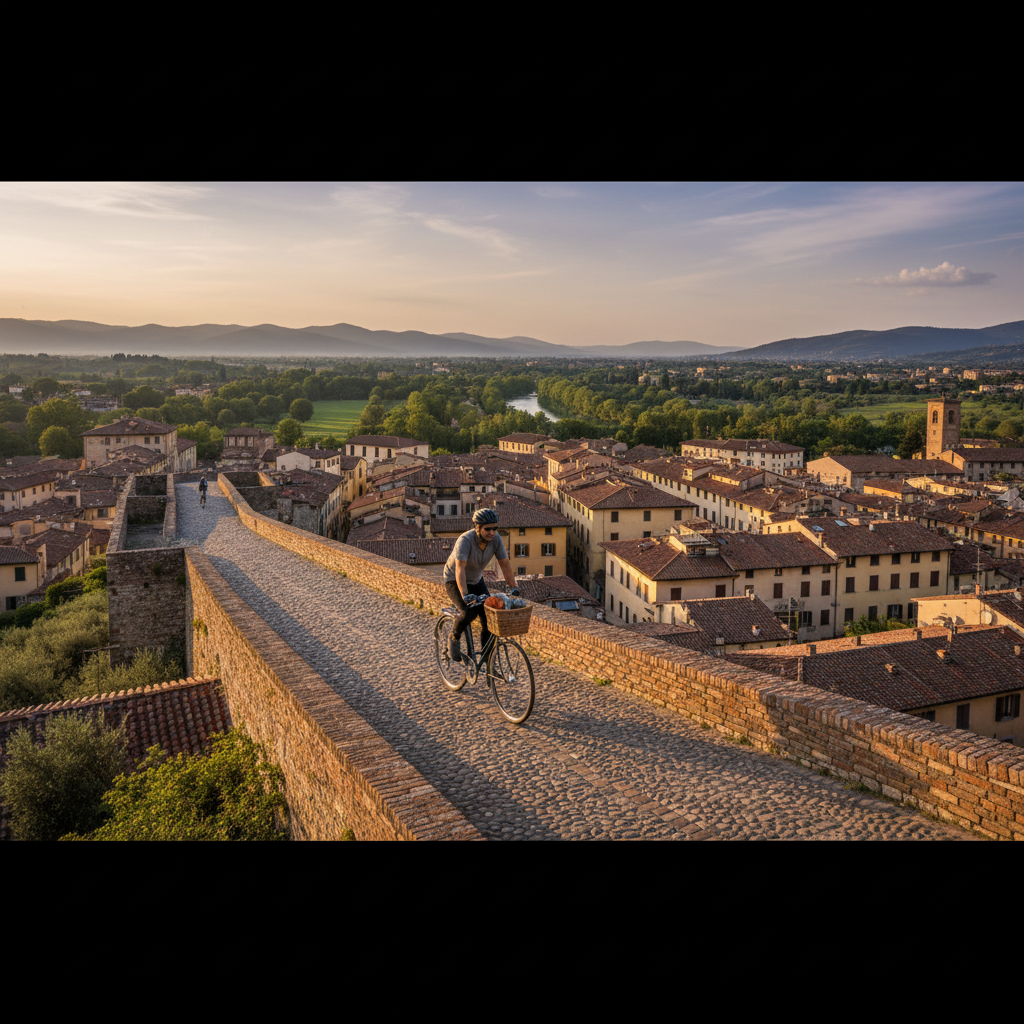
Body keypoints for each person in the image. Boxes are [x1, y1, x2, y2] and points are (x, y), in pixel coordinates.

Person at [442, 507, 519, 663]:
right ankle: (454, 637)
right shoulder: (465, 540)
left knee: (489, 616)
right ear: (477, 528)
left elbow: (504, 564)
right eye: (487, 529)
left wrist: (514, 587)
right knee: (468, 612)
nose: (492, 532)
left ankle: (487, 658)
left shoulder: (496, 540)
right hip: (454, 579)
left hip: (476, 580)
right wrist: (464, 594)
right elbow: (460, 568)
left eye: (495, 528)